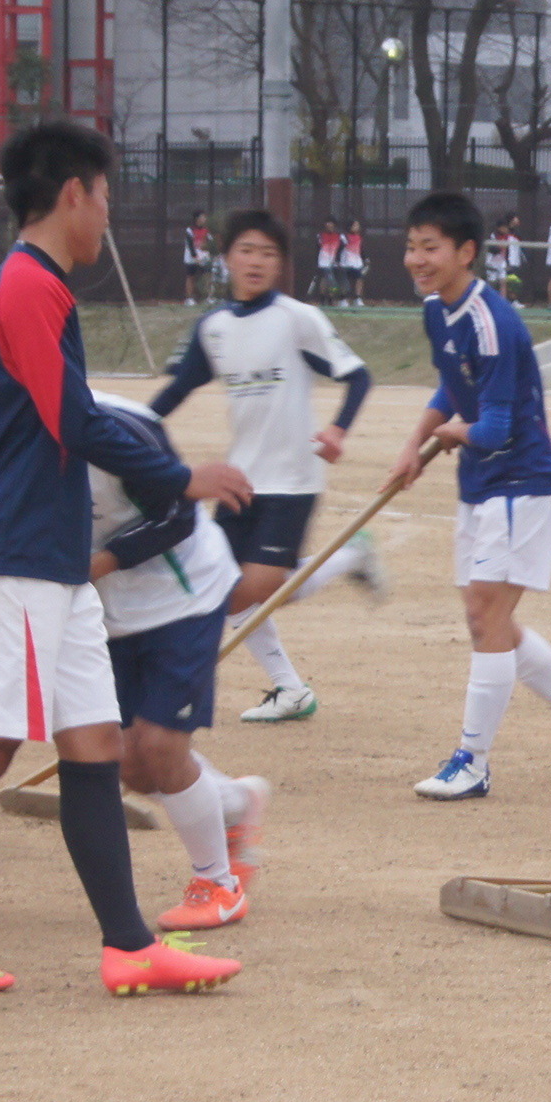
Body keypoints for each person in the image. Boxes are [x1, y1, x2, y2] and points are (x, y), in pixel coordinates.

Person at [0, 119, 254, 995]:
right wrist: (177, 475)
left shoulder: (39, 288)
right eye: (107, 197)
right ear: (75, 193)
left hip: (43, 561)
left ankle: (128, 946)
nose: (108, 217)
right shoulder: (25, 288)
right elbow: (72, 422)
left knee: (91, 744)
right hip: (11, 560)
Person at [388, 191, 551, 800]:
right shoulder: (439, 311)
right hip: (481, 486)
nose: (417, 258)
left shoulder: (494, 322)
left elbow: (496, 427)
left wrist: (454, 433)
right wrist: (414, 445)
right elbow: (451, 386)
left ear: (466, 252)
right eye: (412, 246)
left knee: (487, 614)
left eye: (429, 247)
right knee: (487, 619)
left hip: (521, 482)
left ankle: (472, 760)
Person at [148, 209, 373, 724]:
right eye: (246, 250)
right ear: (226, 258)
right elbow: (179, 388)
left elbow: (357, 377)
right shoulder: (214, 327)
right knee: (222, 588)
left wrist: (337, 430)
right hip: (240, 480)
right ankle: (289, 688)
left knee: (250, 591)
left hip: (293, 480)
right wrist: (128, 426)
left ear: (280, 266)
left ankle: (347, 560)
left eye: (268, 254)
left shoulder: (297, 319)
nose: (256, 262)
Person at [86, 389, 272, 932]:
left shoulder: (116, 427)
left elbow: (178, 516)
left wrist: (95, 563)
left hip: (184, 597)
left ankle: (218, 884)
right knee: (132, 767)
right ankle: (237, 804)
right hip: (107, 612)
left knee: (163, 747)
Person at [181, 209, 214, 306]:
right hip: (191, 258)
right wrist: (195, 256)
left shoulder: (207, 230)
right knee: (190, 277)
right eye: (202, 217)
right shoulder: (189, 230)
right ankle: (189, 299)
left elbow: (211, 242)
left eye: (205, 217)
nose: (204, 219)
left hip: (204, 257)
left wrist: (209, 254)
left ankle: (209, 298)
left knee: (208, 276)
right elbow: (190, 244)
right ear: (197, 219)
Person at [339, 217, 366, 306]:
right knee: (345, 283)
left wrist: (365, 259)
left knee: (359, 279)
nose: (357, 227)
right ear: (350, 227)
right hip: (345, 264)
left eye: (358, 225)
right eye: (355, 225)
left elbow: (361, 250)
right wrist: (337, 261)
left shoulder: (359, 238)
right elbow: (338, 249)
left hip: (356, 264)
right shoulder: (344, 237)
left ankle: (357, 299)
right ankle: (342, 299)